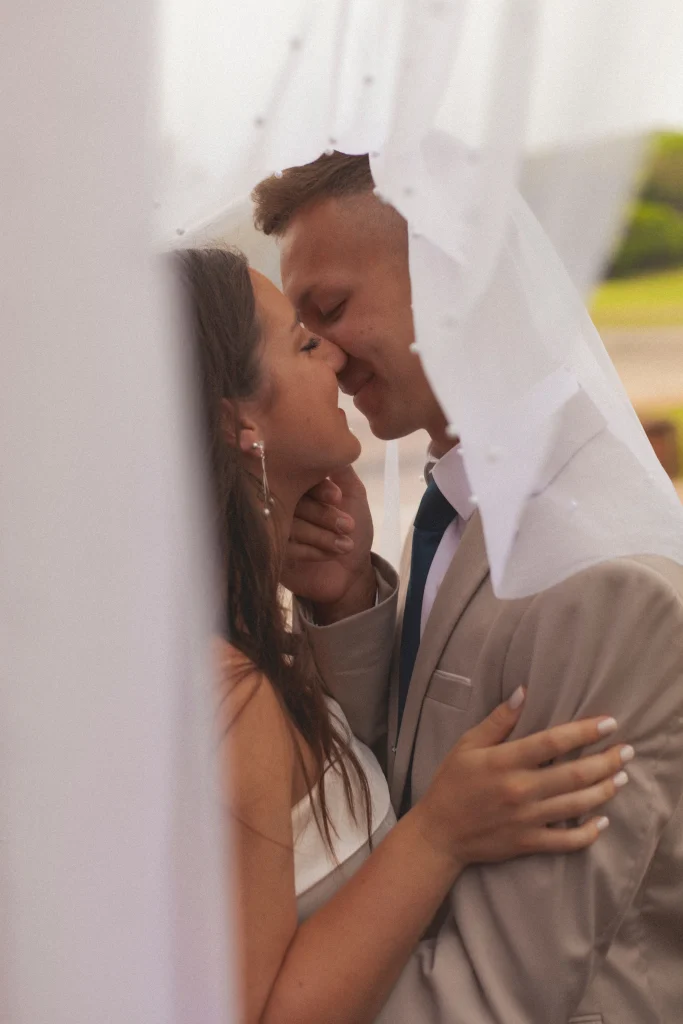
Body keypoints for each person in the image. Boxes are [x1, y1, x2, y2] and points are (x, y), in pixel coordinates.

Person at [251, 152, 683, 1023]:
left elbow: (501, 992)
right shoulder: (458, 500)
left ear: (463, 277)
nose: (322, 358)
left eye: (328, 312)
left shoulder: (605, 585)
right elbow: (404, 786)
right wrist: (346, 603)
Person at [174, 246, 628, 1024]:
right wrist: (439, 835)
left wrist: (341, 598)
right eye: (304, 341)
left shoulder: (232, 648)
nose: (335, 355)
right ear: (234, 420)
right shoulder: (225, 695)